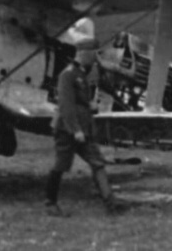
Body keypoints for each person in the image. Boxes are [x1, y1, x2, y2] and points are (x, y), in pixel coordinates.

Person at [44, 37, 126, 216]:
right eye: (93, 54)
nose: (95, 57)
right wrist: (76, 130)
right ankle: (50, 203)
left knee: (98, 162)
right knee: (61, 165)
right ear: (83, 54)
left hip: (84, 129)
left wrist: (89, 105)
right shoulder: (68, 75)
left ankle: (111, 202)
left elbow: (78, 100)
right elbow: (66, 105)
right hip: (67, 129)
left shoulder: (81, 74)